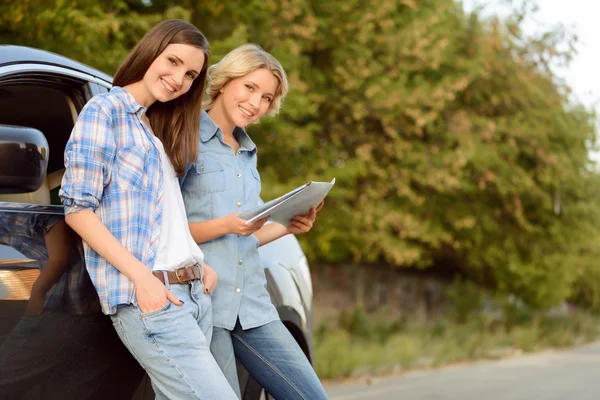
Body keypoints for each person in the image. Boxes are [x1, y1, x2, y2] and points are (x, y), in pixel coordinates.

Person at [59, 19, 237, 400]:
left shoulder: (152, 129)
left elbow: (162, 216)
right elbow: (77, 209)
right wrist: (142, 279)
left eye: (190, 74)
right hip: (152, 298)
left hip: (192, 294)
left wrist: (197, 262)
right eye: (172, 61)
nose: (178, 79)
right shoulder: (104, 111)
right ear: (151, 51)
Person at [181, 43, 328, 400]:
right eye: (250, 87)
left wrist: (288, 226)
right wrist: (228, 226)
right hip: (205, 305)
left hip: (253, 306)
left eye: (266, 97)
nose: (256, 103)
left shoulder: (248, 153)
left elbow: (243, 236)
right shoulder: (183, 136)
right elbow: (163, 229)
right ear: (227, 79)